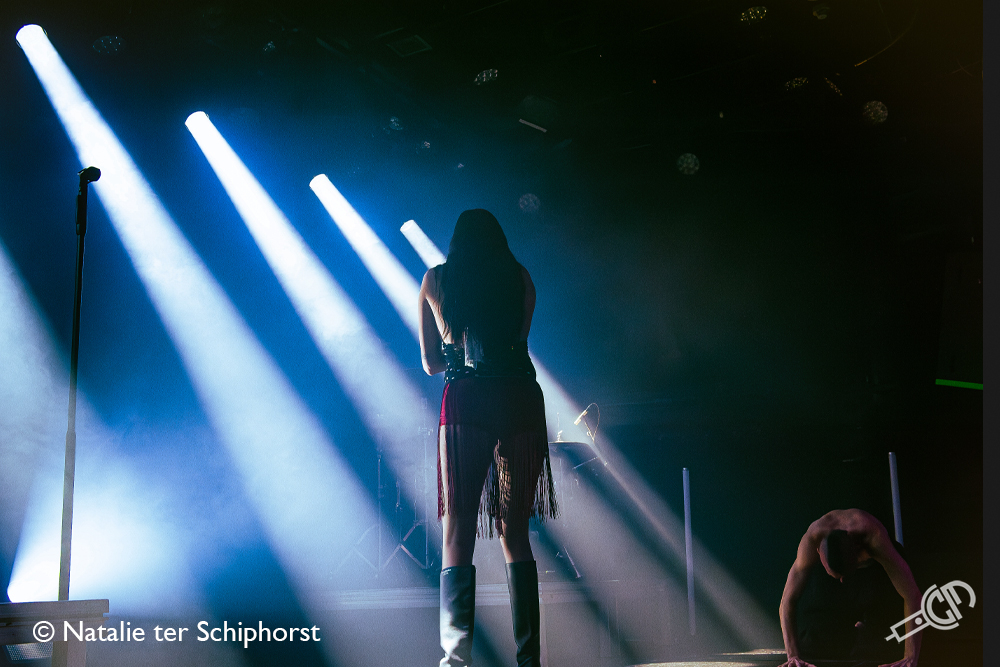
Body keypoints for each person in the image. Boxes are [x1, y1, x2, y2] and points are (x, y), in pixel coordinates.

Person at [418, 209, 558, 667]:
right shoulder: (521, 278)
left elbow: (431, 363)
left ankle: (455, 660)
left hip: (467, 399)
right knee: (515, 532)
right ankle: (529, 660)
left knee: (457, 532)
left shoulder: (436, 280)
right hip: (519, 397)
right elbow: (518, 342)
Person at [778, 508, 922, 667]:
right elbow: (787, 601)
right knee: (817, 630)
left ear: (858, 549)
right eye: (837, 576)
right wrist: (792, 656)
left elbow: (912, 595)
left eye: (845, 575)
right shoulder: (812, 538)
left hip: (874, 569)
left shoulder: (874, 537)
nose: (842, 581)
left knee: (882, 630)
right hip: (839, 574)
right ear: (818, 551)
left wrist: (910, 657)